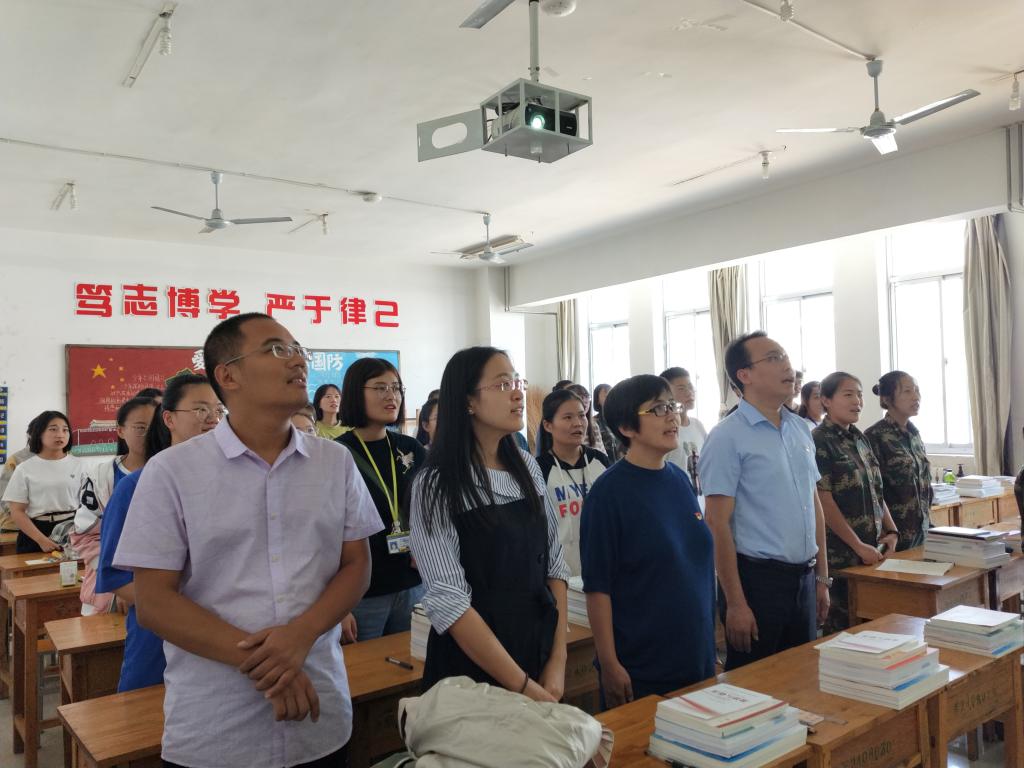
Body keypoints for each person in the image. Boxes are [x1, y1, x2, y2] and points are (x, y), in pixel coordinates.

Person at [113, 313, 382, 768]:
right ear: (228, 376)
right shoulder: (171, 472)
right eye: (277, 349)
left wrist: (300, 636)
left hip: (320, 714)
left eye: (299, 349)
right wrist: (273, 663)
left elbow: (356, 565)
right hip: (216, 726)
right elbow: (155, 602)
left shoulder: (334, 462)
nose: (298, 360)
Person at [410, 347, 569, 702]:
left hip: (536, 653)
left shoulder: (526, 466)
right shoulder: (437, 484)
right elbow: (449, 601)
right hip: (473, 673)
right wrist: (525, 688)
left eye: (517, 382)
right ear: (468, 401)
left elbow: (555, 564)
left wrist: (557, 660)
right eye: (502, 384)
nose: (517, 393)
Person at [698, 331, 830, 670]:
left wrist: (822, 579)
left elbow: (812, 504)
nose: (787, 365)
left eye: (785, 356)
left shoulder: (800, 429)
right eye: (773, 358)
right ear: (744, 375)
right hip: (758, 583)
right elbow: (716, 523)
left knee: (803, 680)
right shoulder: (727, 437)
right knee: (755, 685)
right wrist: (735, 603)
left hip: (805, 578)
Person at [581, 375, 715, 707]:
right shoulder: (608, 495)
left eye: (672, 406)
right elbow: (598, 588)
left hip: (695, 655)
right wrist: (609, 664)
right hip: (643, 666)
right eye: (658, 409)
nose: (672, 416)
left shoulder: (679, 479)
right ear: (626, 427)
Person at [96, 376, 221, 691]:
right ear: (169, 419)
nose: (212, 419)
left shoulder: (235, 482)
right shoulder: (136, 486)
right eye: (200, 409)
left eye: (219, 410)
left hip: (229, 632)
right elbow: (116, 578)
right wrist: (184, 613)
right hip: (160, 638)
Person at [337, 358, 426, 640]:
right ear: (356, 393)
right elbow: (326, 533)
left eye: (396, 387)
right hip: (362, 592)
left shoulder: (409, 448)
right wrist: (339, 607)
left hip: (412, 582)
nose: (391, 395)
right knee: (366, 665)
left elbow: (431, 508)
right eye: (380, 388)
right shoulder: (337, 453)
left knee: (413, 660)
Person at [812, 372, 899, 633]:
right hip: (842, 558)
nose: (857, 402)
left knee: (876, 628)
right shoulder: (819, 441)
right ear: (826, 401)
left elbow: (875, 490)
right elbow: (823, 501)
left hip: (872, 553)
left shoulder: (860, 439)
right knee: (843, 632)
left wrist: (891, 531)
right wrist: (858, 545)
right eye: (848, 395)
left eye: (859, 395)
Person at [72, 396, 157, 615]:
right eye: (140, 428)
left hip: (162, 588)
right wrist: (121, 583)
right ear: (121, 430)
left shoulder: (175, 472)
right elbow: (85, 535)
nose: (150, 434)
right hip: (107, 592)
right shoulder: (101, 476)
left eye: (156, 427)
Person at [536, 389, 610, 576]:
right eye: (568, 417)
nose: (578, 423)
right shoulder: (539, 469)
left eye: (581, 415)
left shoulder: (600, 461)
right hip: (559, 572)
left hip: (603, 566)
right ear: (548, 425)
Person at [864, 371, 933, 551]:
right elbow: (872, 491)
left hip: (921, 532)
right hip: (893, 537)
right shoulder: (874, 436)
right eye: (907, 391)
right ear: (887, 399)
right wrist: (888, 532)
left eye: (917, 390)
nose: (916, 397)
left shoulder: (914, 434)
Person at [2, 410, 82, 553]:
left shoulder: (80, 465)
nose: (60, 434)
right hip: (35, 531)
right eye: (53, 429)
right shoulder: (24, 468)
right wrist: (41, 540)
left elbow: (89, 505)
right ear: (39, 433)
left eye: (65, 430)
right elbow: (17, 511)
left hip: (72, 529)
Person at [660, 367, 708, 495]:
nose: (689, 393)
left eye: (690, 387)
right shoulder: (666, 430)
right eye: (681, 389)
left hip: (699, 498)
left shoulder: (698, 425)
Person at [0, 421, 37, 532]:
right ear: (29, 435)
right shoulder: (16, 460)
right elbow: (4, 497)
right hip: (14, 526)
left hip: (49, 526)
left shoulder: (58, 459)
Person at [566, 383, 606, 454]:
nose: (585, 402)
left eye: (587, 397)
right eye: (580, 398)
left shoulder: (593, 425)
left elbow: (603, 453)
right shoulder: (564, 425)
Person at [592, 383, 621, 463]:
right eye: (607, 396)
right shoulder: (594, 422)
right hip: (604, 465)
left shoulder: (621, 419)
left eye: (613, 395)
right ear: (597, 400)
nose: (611, 399)